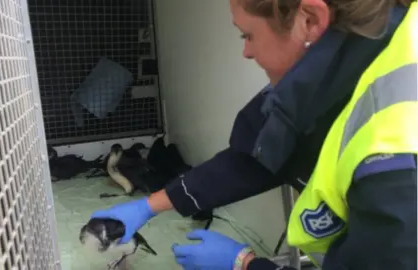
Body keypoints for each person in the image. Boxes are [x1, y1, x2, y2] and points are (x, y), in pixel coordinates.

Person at [91, 0, 418, 269]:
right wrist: (148, 206)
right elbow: (257, 155)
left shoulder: (395, 160)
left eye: (247, 36)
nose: (246, 53)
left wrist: (245, 264)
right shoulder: (359, 55)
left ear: (309, 19)